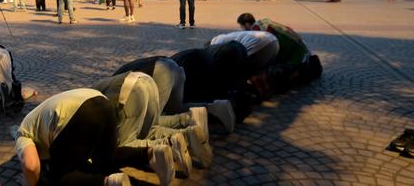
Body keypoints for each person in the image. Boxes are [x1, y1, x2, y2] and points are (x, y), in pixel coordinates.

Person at [14, 88, 174, 186]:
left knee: (59, 179)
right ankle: (151, 154)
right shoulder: (36, 119)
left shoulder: (23, 132)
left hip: (77, 115)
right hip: (101, 102)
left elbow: (31, 166)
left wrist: (30, 183)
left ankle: (108, 183)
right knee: (106, 159)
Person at [93, 72, 212, 172]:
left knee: (123, 145)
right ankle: (188, 135)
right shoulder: (95, 88)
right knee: (150, 129)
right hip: (147, 83)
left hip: (129, 91)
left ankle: (170, 144)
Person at [209, 30, 279, 74]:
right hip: (274, 41)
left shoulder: (216, 42)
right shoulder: (226, 37)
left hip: (259, 45)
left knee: (237, 70)